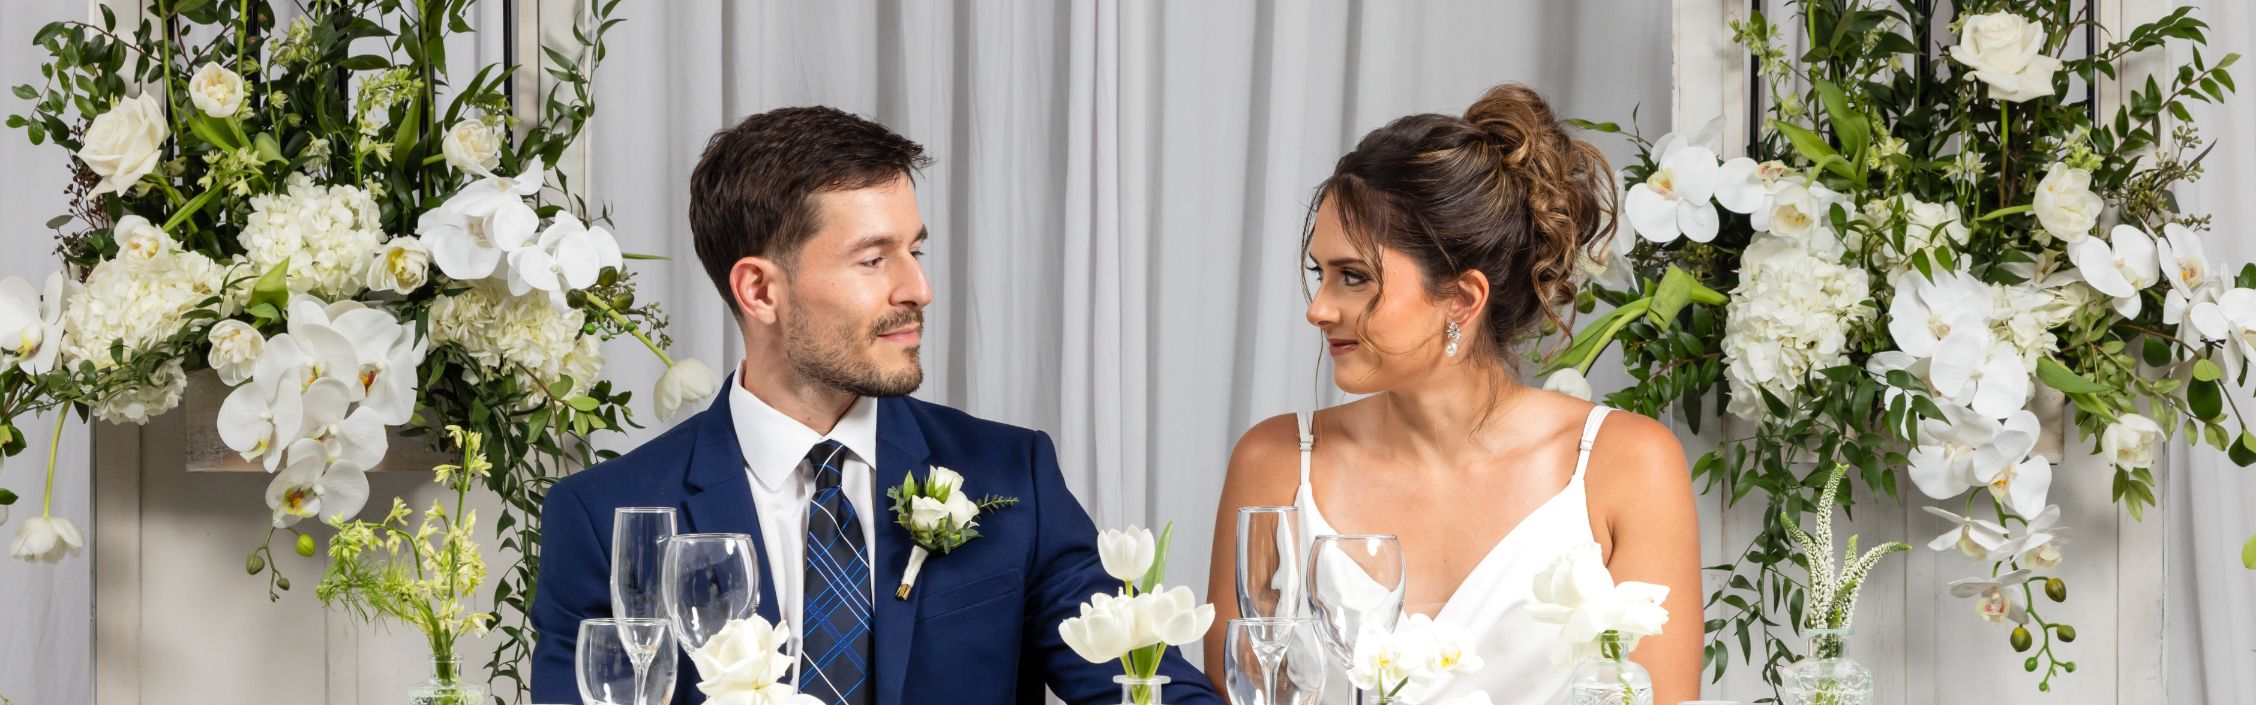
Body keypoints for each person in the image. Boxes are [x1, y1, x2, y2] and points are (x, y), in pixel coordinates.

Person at [531, 106, 1222, 705]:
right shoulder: (604, 518)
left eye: (915, 250)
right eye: (874, 259)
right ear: (760, 290)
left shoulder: (1012, 476)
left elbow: (1149, 684)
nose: (918, 287)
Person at [1202, 84, 1702, 705]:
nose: (1319, 309)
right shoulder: (1275, 462)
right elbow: (1235, 692)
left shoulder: (1625, 464)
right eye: (1320, 273)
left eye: (1354, 277)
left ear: (1462, 299)